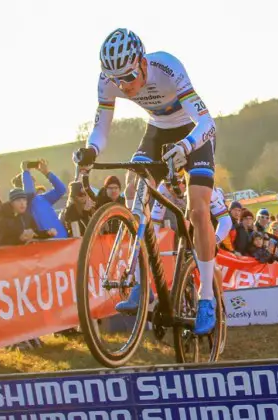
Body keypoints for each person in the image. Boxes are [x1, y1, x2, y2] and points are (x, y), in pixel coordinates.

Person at [72, 28, 217, 334]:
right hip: (157, 132)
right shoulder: (109, 80)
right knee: (133, 192)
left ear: (141, 62)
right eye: (115, 80)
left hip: (193, 133)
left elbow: (207, 121)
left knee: (198, 212)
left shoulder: (167, 67)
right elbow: (102, 127)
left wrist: (187, 146)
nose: (123, 87)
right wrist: (91, 150)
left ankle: (207, 297)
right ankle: (141, 284)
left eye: (127, 77)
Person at [151, 179, 231, 246]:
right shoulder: (163, 188)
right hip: (189, 214)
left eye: (177, 185)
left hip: (208, 212)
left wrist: (214, 242)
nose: (171, 190)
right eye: (169, 186)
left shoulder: (204, 187)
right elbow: (155, 220)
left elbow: (226, 222)